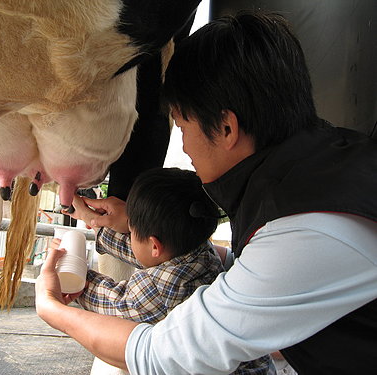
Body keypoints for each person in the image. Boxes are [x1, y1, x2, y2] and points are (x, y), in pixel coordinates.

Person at [35, 11, 377, 375]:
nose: (185, 146)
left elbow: (164, 354)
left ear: (227, 128)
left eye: (183, 125)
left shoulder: (304, 229)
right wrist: (117, 223)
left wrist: (54, 308)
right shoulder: (329, 165)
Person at [53, 167, 273, 374]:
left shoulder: (163, 288)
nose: (129, 235)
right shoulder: (199, 251)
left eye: (131, 230)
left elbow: (112, 302)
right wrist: (89, 219)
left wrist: (68, 270)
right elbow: (141, 250)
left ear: (154, 245)